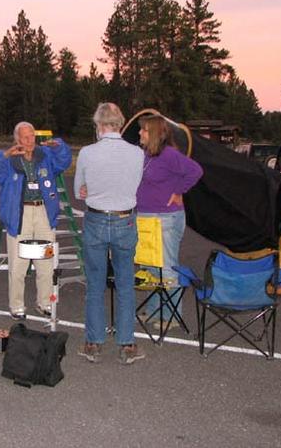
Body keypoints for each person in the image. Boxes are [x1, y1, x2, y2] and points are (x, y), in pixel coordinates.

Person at [74, 102, 145, 365]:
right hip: (125, 220)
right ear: (119, 123)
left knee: (95, 283)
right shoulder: (137, 153)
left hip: (96, 219)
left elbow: (78, 190)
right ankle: (127, 343)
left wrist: (88, 189)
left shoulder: (87, 153)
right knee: (125, 283)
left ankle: (93, 343)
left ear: (99, 125)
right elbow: (135, 185)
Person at [0, 122, 72, 319]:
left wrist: (58, 144)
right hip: (19, 215)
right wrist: (5, 155)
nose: (29, 140)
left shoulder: (45, 156)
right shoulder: (9, 161)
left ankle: (45, 303)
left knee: (46, 262)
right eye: (24, 137)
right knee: (18, 265)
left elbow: (64, 161)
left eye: (31, 136)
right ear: (17, 140)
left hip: (43, 213)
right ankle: (16, 306)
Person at [136, 114, 203, 330]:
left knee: (166, 268)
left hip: (165, 218)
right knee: (152, 268)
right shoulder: (147, 155)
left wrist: (178, 192)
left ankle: (172, 315)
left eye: (144, 130)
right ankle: (155, 310)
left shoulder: (168, 154)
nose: (140, 133)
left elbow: (195, 171)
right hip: (146, 218)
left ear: (154, 133)